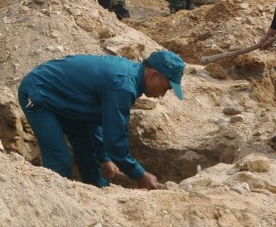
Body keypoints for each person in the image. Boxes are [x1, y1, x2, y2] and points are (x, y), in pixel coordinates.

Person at [17, 50, 185, 189]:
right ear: (154, 74)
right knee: (60, 161)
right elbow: (115, 141)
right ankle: (56, 205)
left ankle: (99, 195)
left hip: (67, 99)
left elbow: (96, 117)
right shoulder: (123, 86)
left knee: (90, 153)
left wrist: (104, 158)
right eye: (166, 88)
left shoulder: (130, 78)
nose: (162, 95)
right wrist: (139, 174)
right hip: (39, 93)